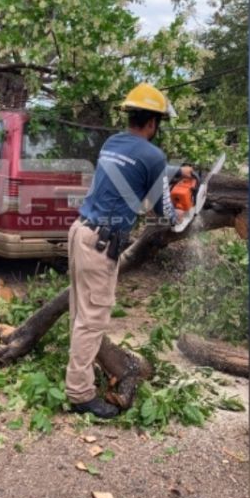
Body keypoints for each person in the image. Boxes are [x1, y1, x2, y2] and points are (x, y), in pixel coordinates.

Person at [66, 83, 182, 418]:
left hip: (80, 232)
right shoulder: (154, 156)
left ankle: (82, 373)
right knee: (93, 320)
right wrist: (182, 216)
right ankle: (80, 394)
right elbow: (162, 209)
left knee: (80, 313)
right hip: (101, 242)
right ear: (153, 123)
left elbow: (135, 168)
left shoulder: (113, 143)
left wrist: (178, 171)